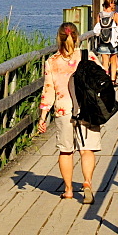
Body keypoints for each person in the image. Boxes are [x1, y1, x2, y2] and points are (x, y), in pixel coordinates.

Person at [37, 22, 101, 203]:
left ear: (59, 38)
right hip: (87, 108)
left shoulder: (52, 61)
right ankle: (87, 182)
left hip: (64, 110)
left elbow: (48, 90)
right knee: (87, 149)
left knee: (66, 151)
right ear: (77, 36)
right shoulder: (87, 56)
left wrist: (43, 116)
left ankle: (68, 189)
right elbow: (101, 77)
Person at [91, 0, 118, 84]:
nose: (114, 5)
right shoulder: (114, 14)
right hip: (112, 41)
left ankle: (104, 79)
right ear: (110, 4)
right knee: (113, 60)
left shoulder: (100, 15)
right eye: (113, 3)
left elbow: (97, 27)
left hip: (103, 41)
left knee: (105, 61)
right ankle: (112, 80)